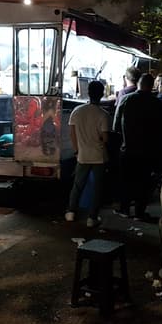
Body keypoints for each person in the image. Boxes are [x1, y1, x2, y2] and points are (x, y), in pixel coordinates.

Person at [113, 73, 162, 219]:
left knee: (126, 180)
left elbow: (116, 126)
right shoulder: (157, 103)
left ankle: (124, 209)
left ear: (138, 84)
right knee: (144, 182)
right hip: (148, 150)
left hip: (128, 149)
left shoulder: (126, 99)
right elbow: (161, 128)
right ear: (152, 86)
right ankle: (139, 212)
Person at [65, 81, 110, 228]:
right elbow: (105, 138)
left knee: (77, 185)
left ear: (88, 93)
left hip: (82, 155)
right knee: (97, 188)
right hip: (99, 156)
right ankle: (92, 218)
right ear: (101, 94)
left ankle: (71, 212)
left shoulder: (77, 111)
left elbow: (72, 134)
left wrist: (77, 150)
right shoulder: (103, 114)